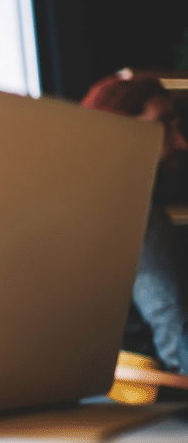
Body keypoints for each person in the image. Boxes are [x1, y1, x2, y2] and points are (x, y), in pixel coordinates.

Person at [80, 70, 188, 373]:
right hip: (148, 398)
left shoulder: (86, 206)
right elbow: (175, 336)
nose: (181, 142)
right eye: (164, 126)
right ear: (118, 132)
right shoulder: (132, 208)